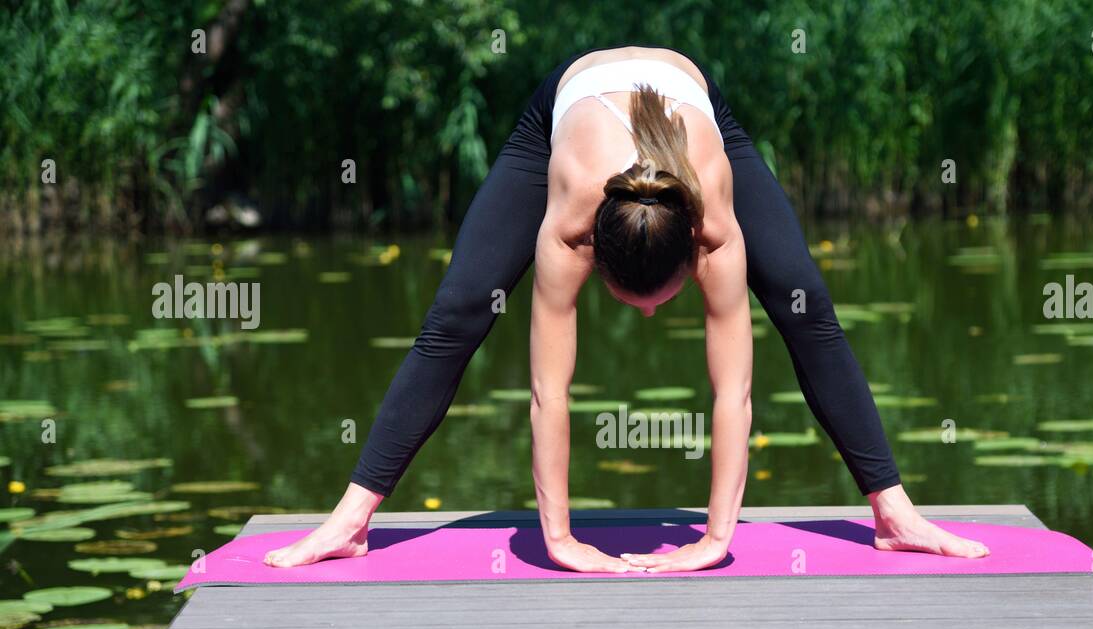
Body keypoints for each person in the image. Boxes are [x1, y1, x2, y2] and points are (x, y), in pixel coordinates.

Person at [265, 46, 989, 573]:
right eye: (635, 300)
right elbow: (550, 391)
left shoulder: (714, 221)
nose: (646, 317)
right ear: (592, 257)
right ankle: (350, 519)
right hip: (568, 101)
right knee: (458, 311)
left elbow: (734, 390)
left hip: (695, 103)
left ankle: (894, 511)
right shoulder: (572, 212)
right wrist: (559, 540)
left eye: (658, 298)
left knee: (806, 304)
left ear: (694, 256)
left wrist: (716, 538)